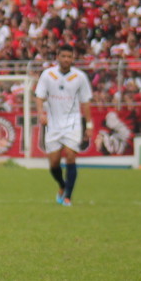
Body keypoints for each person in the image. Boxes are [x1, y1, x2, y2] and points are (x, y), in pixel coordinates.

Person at [35, 45, 92, 207]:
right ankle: (62, 185)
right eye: (64, 56)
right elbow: (39, 97)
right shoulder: (48, 75)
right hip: (53, 123)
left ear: (73, 58)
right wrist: (41, 113)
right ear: (58, 57)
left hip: (72, 122)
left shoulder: (80, 77)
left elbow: (86, 102)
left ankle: (68, 196)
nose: (66, 59)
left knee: (71, 155)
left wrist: (89, 124)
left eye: (69, 56)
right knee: (53, 163)